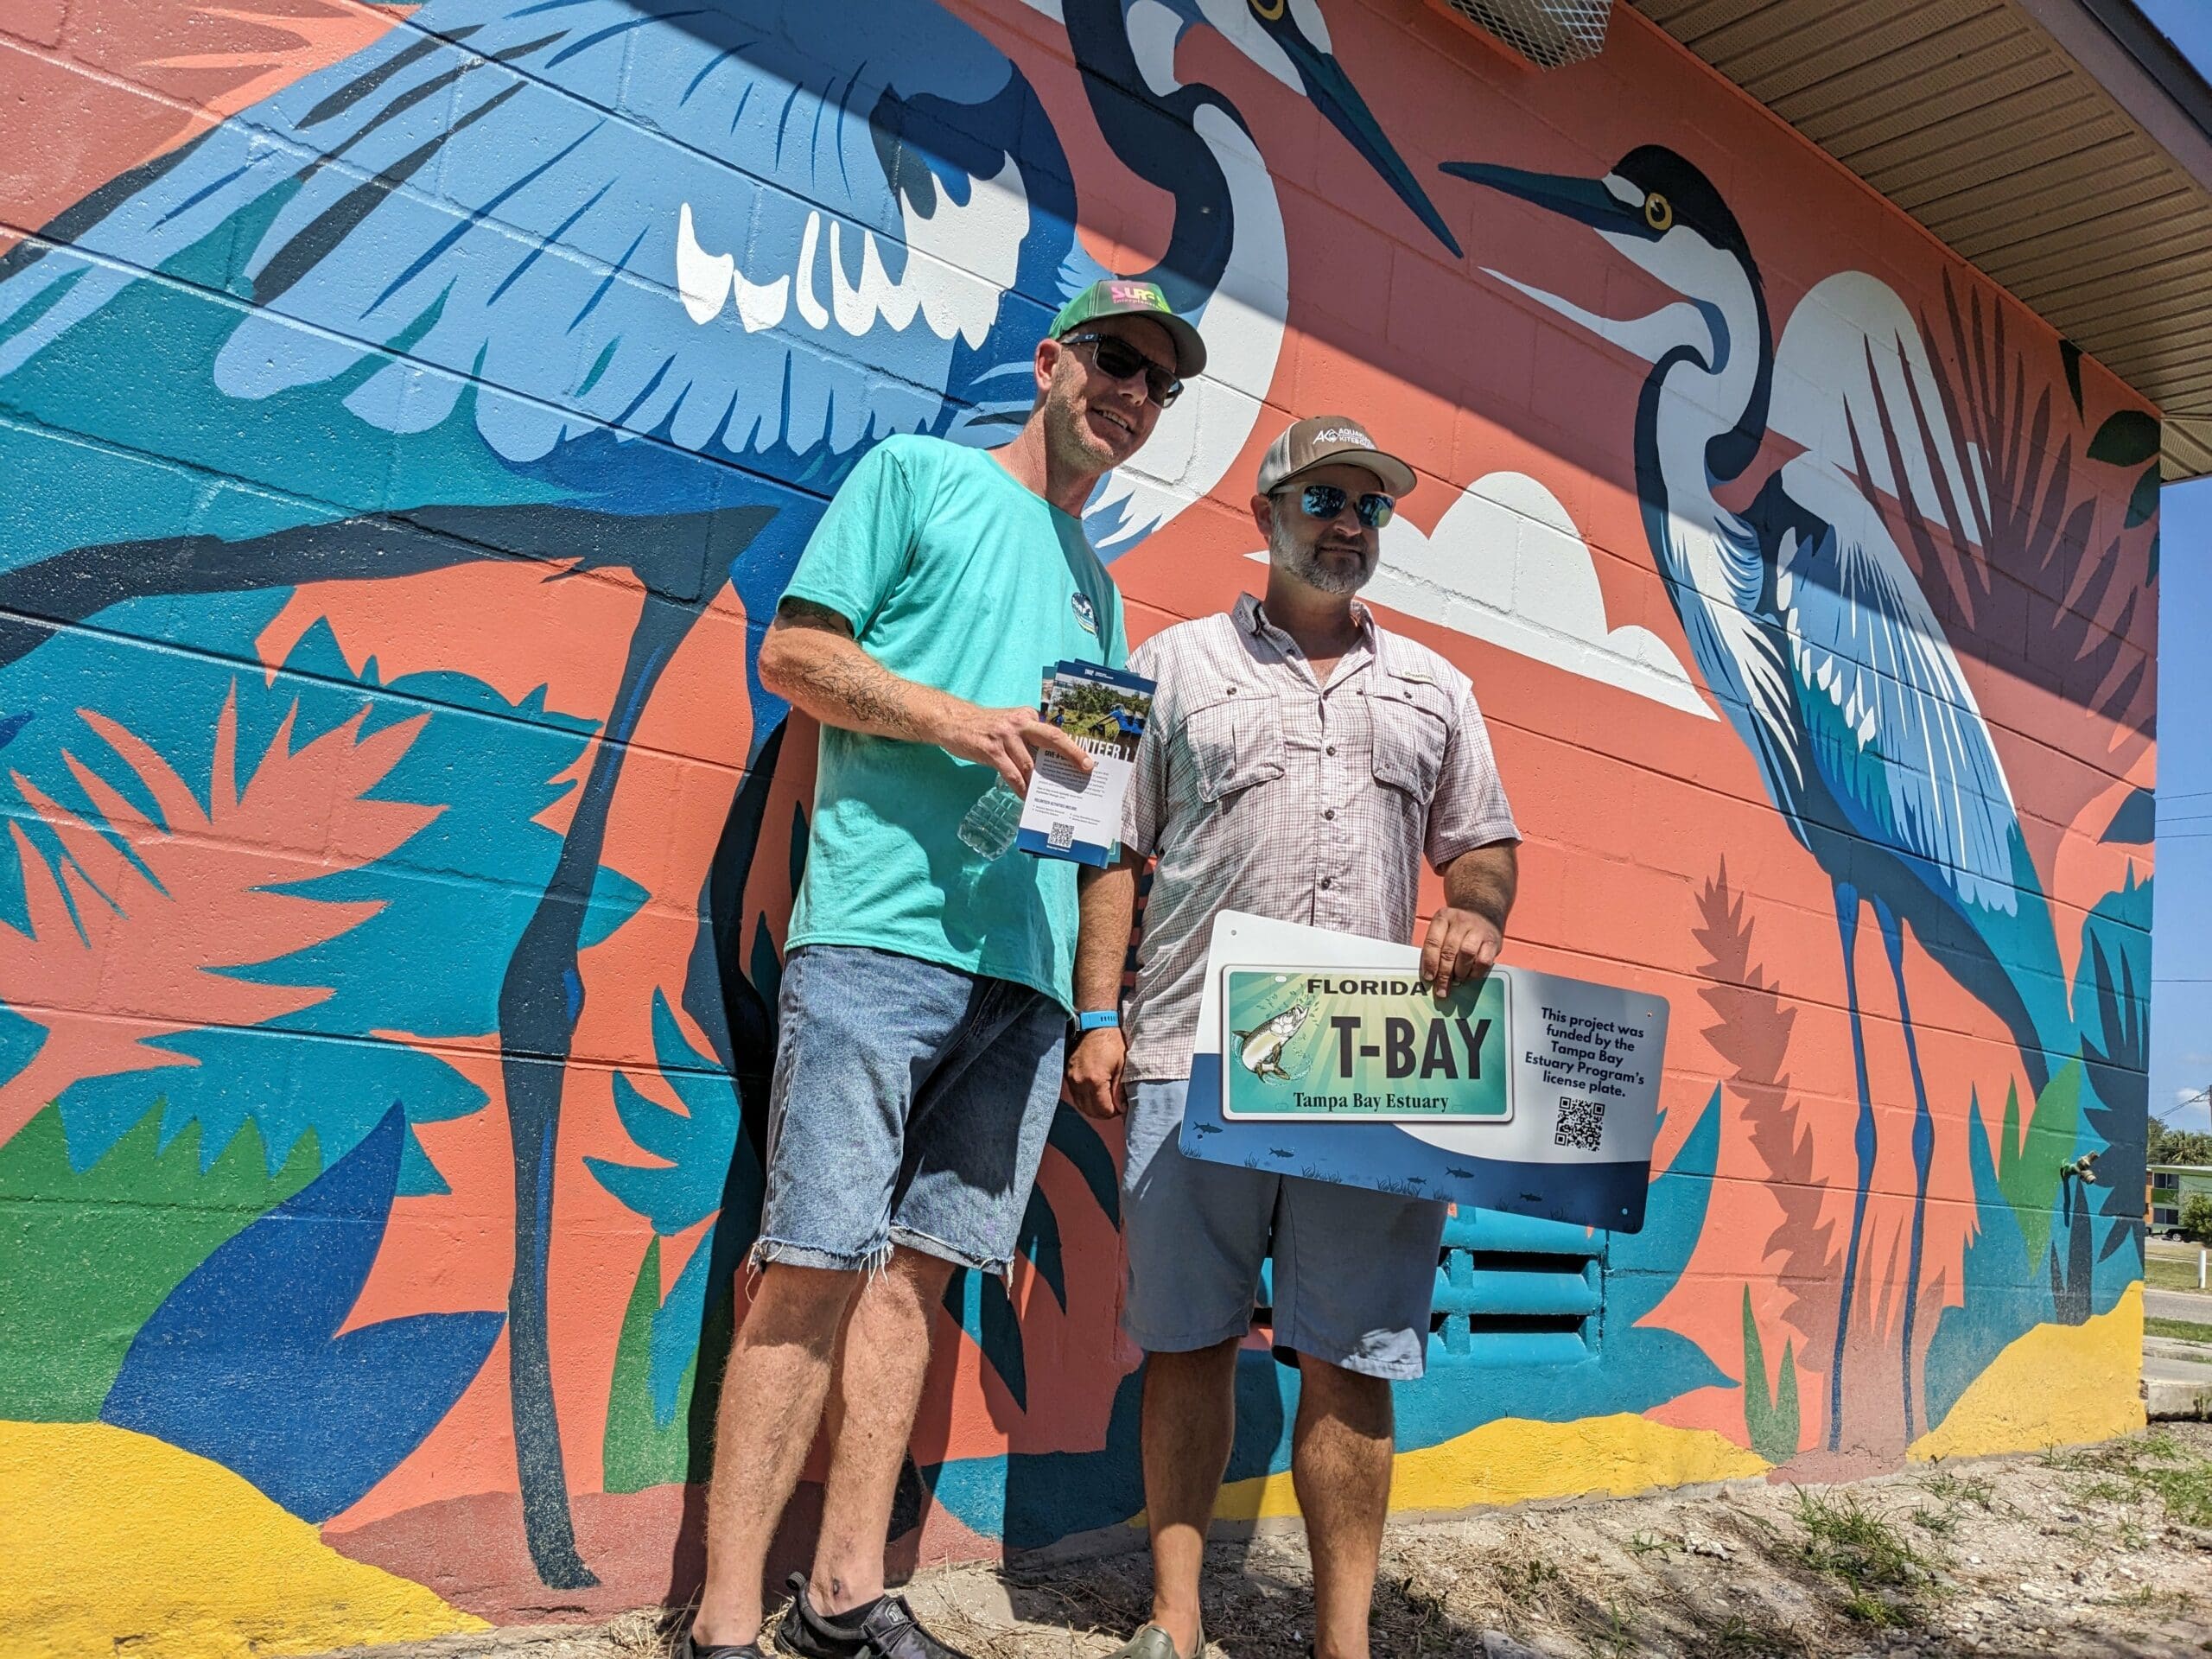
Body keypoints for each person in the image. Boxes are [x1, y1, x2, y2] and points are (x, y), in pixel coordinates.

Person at [679, 279, 1206, 1659]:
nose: (1132, 395)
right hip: (877, 942)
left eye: (1157, 384)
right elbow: (795, 654)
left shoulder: (1103, 594)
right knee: (809, 1264)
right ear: (1049, 364)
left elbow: (1100, 836)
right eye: (1113, 361)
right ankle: (724, 1623)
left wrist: (1098, 1005)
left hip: (1024, 993)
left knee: (919, 1279)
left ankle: (844, 1597)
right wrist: (964, 724)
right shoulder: (915, 478)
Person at [1065, 416, 1521, 1659]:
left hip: (1356, 1071)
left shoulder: (1438, 690)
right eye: (1325, 497)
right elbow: (1113, 845)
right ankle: (1176, 1620)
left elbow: (1481, 850)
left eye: (1370, 509)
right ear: (1267, 511)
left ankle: (1343, 1643)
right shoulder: (1170, 666)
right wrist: (1096, 1011)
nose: (1348, 524)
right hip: (1184, 1053)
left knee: (1351, 1357)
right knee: (1186, 1340)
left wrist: (1473, 916)